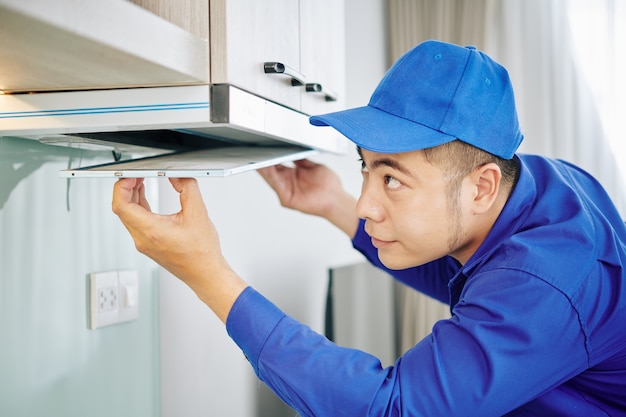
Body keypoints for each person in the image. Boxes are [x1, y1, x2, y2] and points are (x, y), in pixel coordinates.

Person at [112, 40, 626, 416]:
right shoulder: (534, 182)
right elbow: (467, 275)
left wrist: (208, 273)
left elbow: (392, 410)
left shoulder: (546, 279)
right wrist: (331, 203)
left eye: (393, 179)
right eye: (366, 166)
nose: (366, 204)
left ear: (481, 186)